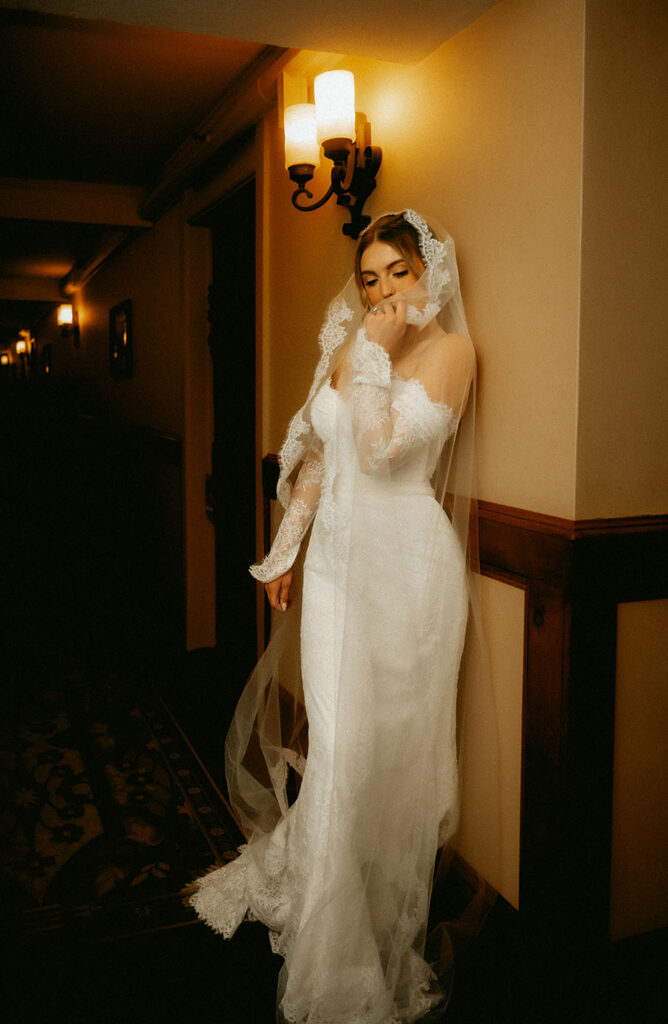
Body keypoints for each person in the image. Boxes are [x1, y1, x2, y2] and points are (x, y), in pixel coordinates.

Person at [186, 210, 480, 1024]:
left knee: (377, 760)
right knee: (339, 742)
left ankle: (353, 950)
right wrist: (286, 549)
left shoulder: (452, 354)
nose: (383, 291)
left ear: (432, 276)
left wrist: (375, 354)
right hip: (338, 570)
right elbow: (320, 456)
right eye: (370, 278)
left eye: (399, 273)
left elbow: (382, 449)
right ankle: (318, 893)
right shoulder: (354, 348)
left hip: (407, 574)